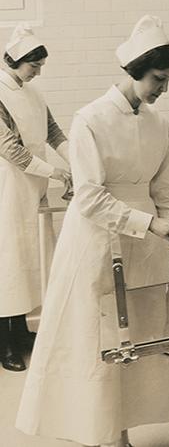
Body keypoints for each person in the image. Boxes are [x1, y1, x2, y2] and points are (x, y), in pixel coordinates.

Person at [16, 15, 169, 447]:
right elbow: (89, 197)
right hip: (96, 242)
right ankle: (103, 435)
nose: (163, 89)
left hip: (146, 247)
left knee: (138, 337)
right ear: (134, 70)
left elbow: (165, 187)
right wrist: (149, 222)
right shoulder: (90, 119)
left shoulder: (159, 124)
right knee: (99, 339)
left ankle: (123, 432)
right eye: (158, 79)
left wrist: (167, 221)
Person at [0, 23, 71, 372]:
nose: (39, 71)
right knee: (8, 265)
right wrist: (55, 172)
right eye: (35, 65)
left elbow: (54, 132)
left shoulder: (33, 92)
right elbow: (10, 148)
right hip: (8, 187)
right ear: (16, 60)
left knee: (32, 261)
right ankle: (5, 344)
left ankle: (22, 330)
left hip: (33, 187)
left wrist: (78, 163)